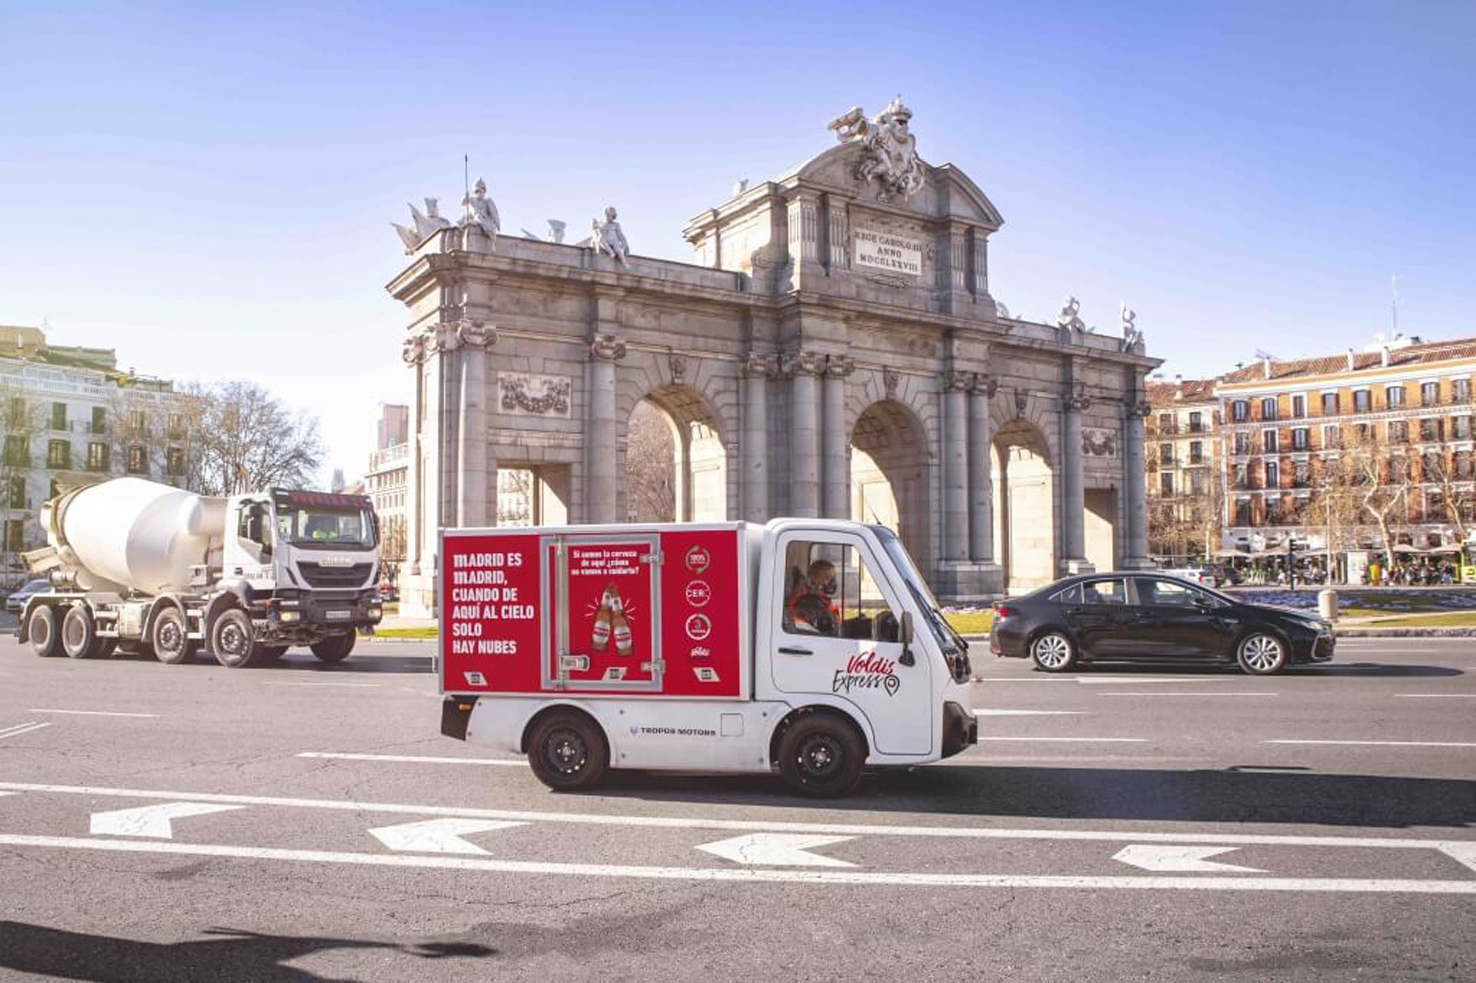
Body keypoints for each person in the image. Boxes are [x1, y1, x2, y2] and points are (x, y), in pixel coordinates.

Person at [786, 559, 840, 636]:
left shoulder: (820, 599)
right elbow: (831, 631)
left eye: (833, 577)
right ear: (816, 579)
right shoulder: (809, 602)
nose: (833, 581)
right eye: (828, 578)